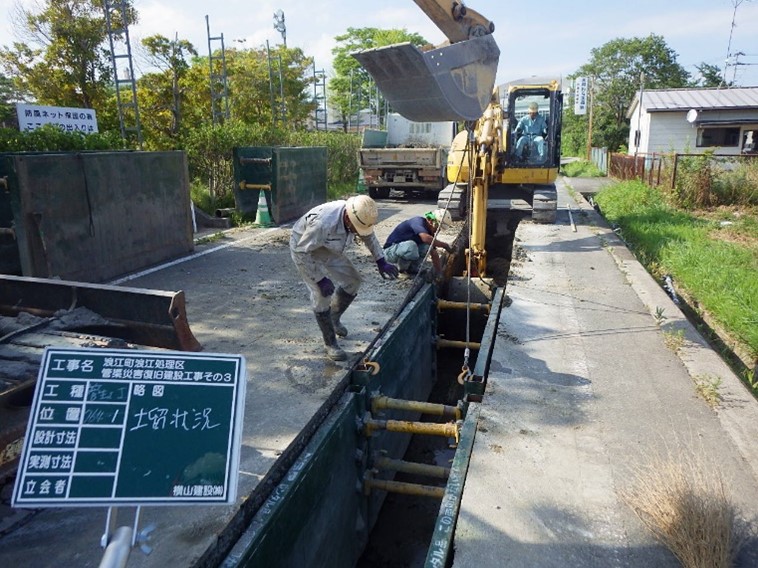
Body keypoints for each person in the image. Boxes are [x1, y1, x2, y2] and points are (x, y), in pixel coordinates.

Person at [290, 195, 399, 361]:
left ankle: (333, 318)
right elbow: (301, 253)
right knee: (321, 294)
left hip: (328, 246)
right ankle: (330, 343)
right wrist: (319, 278)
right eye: (356, 228)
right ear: (348, 218)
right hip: (305, 247)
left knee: (353, 281)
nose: (358, 232)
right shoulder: (323, 223)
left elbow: (368, 236)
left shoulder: (360, 214)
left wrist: (381, 260)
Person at [383, 209, 454, 275]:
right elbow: (425, 238)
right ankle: (402, 270)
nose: (437, 230)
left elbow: (434, 253)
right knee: (411, 246)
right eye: (437, 227)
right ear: (431, 221)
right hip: (390, 252)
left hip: (401, 251)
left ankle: (412, 269)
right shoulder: (417, 221)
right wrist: (445, 245)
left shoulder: (429, 233)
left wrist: (439, 273)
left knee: (427, 247)